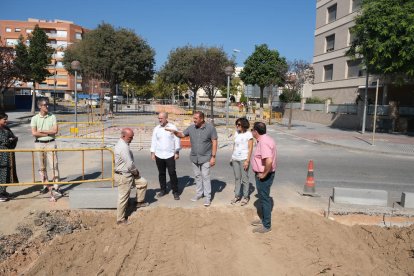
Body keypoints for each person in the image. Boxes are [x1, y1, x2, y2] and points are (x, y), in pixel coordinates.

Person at [167, 111, 217, 207]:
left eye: (196, 118)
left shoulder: (210, 128)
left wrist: (213, 157)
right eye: (193, 118)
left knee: (205, 177)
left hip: (206, 157)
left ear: (202, 119)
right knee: (197, 176)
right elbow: (182, 135)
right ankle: (199, 194)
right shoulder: (191, 128)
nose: (194, 120)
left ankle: (207, 197)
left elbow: (214, 142)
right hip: (194, 157)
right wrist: (175, 132)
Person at [114, 128, 149, 225]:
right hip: (124, 176)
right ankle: (120, 219)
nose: (132, 139)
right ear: (123, 136)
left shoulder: (123, 144)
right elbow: (129, 164)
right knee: (123, 197)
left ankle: (139, 202)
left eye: (132, 137)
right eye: (130, 137)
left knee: (143, 182)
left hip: (128, 174)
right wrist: (136, 172)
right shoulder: (123, 147)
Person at [31, 99, 61, 200]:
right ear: (40, 106)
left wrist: (43, 131)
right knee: (42, 167)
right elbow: (34, 133)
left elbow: (55, 131)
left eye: (48, 105)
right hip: (39, 144)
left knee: (54, 165)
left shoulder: (52, 116)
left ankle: (56, 187)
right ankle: (45, 185)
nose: (47, 107)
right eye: (45, 105)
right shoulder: (35, 118)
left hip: (51, 143)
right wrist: (49, 132)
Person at [250, 122, 277, 234]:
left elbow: (269, 161)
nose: (251, 131)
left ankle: (266, 225)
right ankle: (264, 220)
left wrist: (264, 174)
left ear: (256, 131)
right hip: (264, 174)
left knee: (265, 199)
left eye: (252, 129)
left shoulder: (264, 142)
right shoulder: (266, 139)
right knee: (263, 198)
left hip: (264, 175)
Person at [150, 112, 181, 200]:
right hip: (159, 154)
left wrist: (177, 152)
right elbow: (154, 141)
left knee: (172, 173)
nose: (160, 120)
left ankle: (175, 191)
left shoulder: (172, 127)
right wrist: (152, 152)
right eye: (159, 118)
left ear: (166, 118)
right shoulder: (156, 129)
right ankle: (163, 190)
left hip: (170, 154)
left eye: (161, 118)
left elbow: (177, 139)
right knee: (161, 173)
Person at [230, 117, 253, 206]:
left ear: (244, 125)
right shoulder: (236, 133)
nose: (237, 126)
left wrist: (247, 160)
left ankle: (246, 197)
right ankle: (237, 196)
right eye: (236, 124)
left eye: (239, 124)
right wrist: (232, 157)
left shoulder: (249, 134)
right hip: (235, 158)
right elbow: (234, 145)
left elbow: (250, 148)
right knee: (237, 178)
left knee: (244, 178)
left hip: (244, 158)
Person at [0, 112, 18, 202]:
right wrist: (10, 140)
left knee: (7, 172)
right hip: (1, 155)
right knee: (2, 172)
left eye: (6, 119)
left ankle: (3, 191)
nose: (6, 121)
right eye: (4, 119)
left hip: (8, 154)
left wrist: (13, 139)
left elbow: (13, 137)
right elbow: (4, 141)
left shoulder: (6, 128)